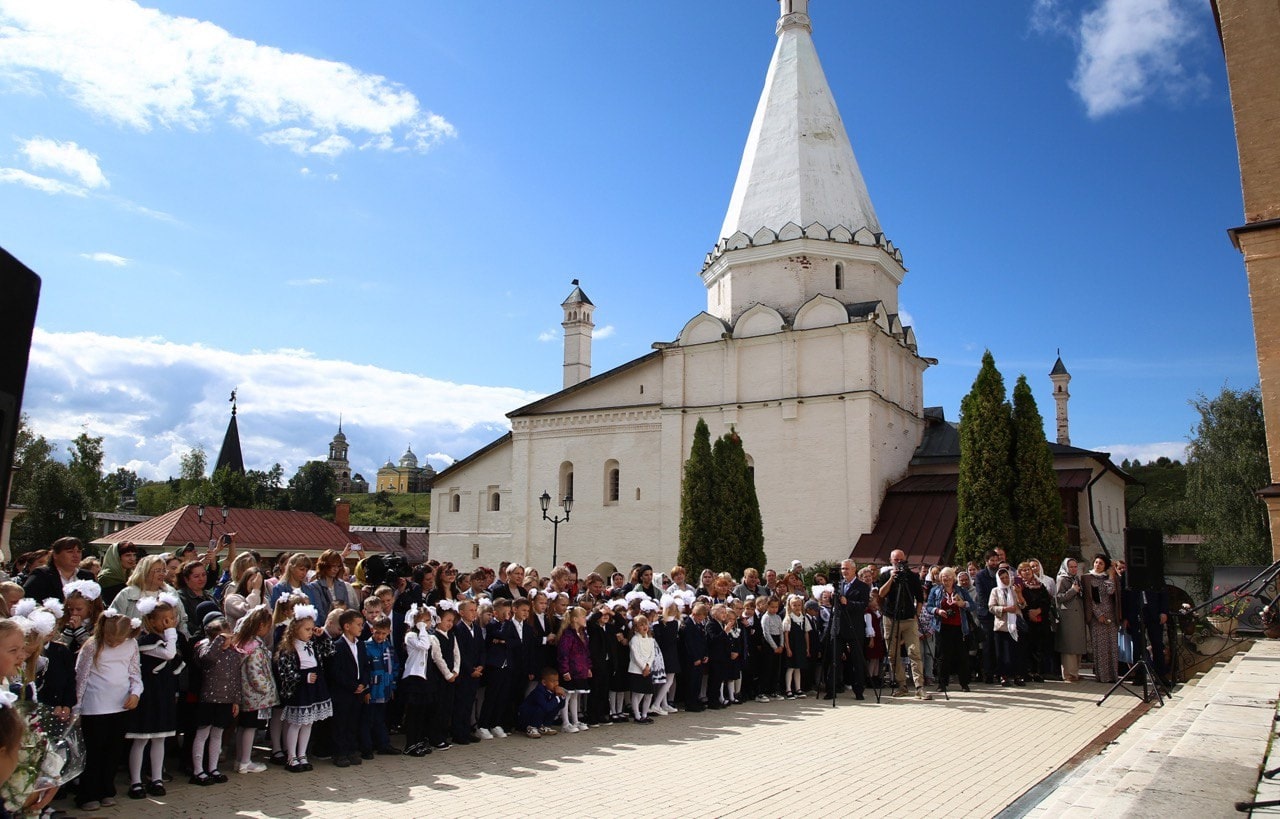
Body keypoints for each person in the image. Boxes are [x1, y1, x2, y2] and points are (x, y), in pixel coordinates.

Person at [74, 609, 143, 811]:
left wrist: (136, 693)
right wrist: (77, 707)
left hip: (120, 705)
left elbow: (135, 672)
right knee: (94, 751)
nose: (114, 643)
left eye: (118, 640)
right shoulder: (92, 645)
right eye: (110, 639)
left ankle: (107, 789)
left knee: (113, 751)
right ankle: (88, 793)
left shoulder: (131, 644)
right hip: (95, 706)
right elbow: (81, 677)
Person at [125, 592, 182, 798]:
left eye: (172, 619)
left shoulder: (166, 640)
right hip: (148, 694)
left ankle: (156, 778)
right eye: (164, 620)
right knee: (141, 739)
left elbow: (174, 663)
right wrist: (171, 633)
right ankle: (136, 781)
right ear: (151, 621)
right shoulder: (148, 641)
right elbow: (168, 654)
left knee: (160, 738)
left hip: (163, 693)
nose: (169, 623)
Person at [274, 603, 333, 773]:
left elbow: (330, 651)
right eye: (307, 629)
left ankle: (302, 754)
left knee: (308, 723)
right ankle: (291, 756)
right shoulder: (288, 649)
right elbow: (285, 672)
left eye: (311, 629)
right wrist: (303, 677)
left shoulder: (313, 643)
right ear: (295, 630)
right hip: (300, 689)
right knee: (296, 723)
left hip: (315, 687)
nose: (310, 632)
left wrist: (322, 636)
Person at [193, 616, 243, 785]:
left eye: (229, 636)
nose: (227, 640)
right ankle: (198, 770)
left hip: (226, 701)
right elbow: (207, 658)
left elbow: (236, 678)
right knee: (202, 734)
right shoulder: (204, 648)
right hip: (208, 700)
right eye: (223, 637)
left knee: (217, 735)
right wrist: (217, 641)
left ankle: (213, 768)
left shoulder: (233, 654)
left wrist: (236, 700)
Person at [878, 549, 932, 700]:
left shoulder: (912, 576)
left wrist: (917, 614)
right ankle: (901, 685)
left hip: (909, 618)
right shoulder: (884, 575)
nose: (899, 563)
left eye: (902, 560)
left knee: (914, 652)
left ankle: (919, 687)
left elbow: (920, 598)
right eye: (896, 560)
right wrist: (891, 578)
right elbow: (881, 594)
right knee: (892, 653)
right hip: (891, 618)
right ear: (891, 561)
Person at [232, 605, 277, 774]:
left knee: (244, 727)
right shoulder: (254, 647)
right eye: (267, 626)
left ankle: (240, 759)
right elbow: (255, 671)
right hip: (255, 696)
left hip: (247, 694)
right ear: (260, 626)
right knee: (250, 727)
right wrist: (266, 689)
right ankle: (245, 761)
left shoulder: (247, 643)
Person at [327, 609, 370, 767]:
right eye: (358, 625)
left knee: (353, 722)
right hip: (343, 692)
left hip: (357, 691)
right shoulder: (338, 645)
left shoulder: (360, 645)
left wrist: (363, 684)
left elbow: (365, 666)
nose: (361, 628)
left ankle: (352, 750)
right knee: (341, 723)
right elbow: (336, 672)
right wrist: (352, 685)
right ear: (346, 626)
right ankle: (339, 753)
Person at [112, 554, 190, 637]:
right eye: (157, 570)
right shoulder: (127, 594)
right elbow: (113, 622)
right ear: (145, 572)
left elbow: (182, 620)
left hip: (168, 644)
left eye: (164, 571)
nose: (162, 574)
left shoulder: (170, 592)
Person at [926, 567, 971, 693]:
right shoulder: (935, 591)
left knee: (962, 655)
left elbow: (972, 605)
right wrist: (938, 610)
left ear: (953, 578)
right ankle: (942, 683)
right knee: (943, 656)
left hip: (959, 627)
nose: (946, 580)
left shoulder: (961, 591)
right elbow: (929, 606)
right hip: (943, 627)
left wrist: (963, 604)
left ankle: (964, 683)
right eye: (944, 578)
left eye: (949, 577)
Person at [1082, 555, 1122, 684]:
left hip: (1110, 614)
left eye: (1101, 563)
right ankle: (1103, 676)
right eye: (1096, 562)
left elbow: (1111, 592)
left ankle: (1113, 675)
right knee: (1100, 646)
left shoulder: (1108, 578)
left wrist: (1111, 575)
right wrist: (1099, 614)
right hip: (1096, 616)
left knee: (1112, 645)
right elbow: (1089, 599)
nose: (1097, 565)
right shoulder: (1087, 578)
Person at [451, 600, 485, 744]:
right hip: (465, 674)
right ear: (462, 612)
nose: (474, 613)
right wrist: (470, 669)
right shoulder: (458, 629)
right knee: (461, 704)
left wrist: (481, 665)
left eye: (475, 610)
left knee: (469, 703)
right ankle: (458, 733)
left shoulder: (476, 629)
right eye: (470, 610)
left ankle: (466, 730)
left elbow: (482, 649)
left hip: (476, 672)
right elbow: (460, 653)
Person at [21, 537, 94, 602]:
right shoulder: (42, 574)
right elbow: (28, 600)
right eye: (70, 551)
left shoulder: (87, 576)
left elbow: (97, 605)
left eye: (79, 551)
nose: (76, 555)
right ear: (55, 555)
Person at [556, 606, 592, 732]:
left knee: (576, 695)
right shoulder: (567, 635)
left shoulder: (582, 634)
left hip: (580, 670)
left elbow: (586, 652)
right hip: (570, 670)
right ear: (575, 619)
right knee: (567, 695)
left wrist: (588, 667)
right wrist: (565, 670)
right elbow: (563, 654)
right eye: (583, 616)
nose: (585, 619)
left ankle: (575, 720)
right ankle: (565, 723)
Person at [989, 566, 1026, 687]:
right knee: (1003, 653)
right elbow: (991, 607)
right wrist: (1005, 609)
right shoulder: (995, 591)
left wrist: (1019, 594)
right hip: (1002, 626)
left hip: (1015, 625)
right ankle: (1003, 676)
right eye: (1002, 578)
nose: (1005, 580)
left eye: (1006, 577)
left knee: (1016, 652)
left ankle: (1017, 675)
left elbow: (1023, 605)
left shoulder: (1014, 589)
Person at [304, 548, 358, 626]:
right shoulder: (314, 587)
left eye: (338, 566)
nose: (335, 569)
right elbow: (318, 613)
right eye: (332, 566)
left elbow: (350, 610)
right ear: (324, 565)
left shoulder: (344, 586)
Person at [1055, 558, 1088, 682]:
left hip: (1078, 615)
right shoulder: (1062, 579)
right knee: (1069, 646)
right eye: (1071, 567)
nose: (1074, 569)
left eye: (1075, 567)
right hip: (1067, 616)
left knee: (1077, 644)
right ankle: (1069, 674)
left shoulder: (1076, 579)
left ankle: (1076, 672)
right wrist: (1072, 591)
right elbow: (1059, 597)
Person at [973, 550, 1000, 684]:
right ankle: (988, 674)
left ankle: (1000, 673)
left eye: (996, 560)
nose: (994, 563)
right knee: (988, 645)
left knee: (999, 645)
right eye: (992, 560)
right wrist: (992, 608)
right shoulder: (980, 576)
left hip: (1001, 614)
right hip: (987, 614)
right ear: (987, 561)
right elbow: (981, 595)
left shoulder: (1001, 574)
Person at [518, 668, 566, 738]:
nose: (556, 684)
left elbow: (561, 706)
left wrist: (562, 697)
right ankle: (531, 727)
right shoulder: (539, 692)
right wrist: (557, 697)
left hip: (539, 714)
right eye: (553, 681)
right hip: (526, 717)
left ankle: (545, 726)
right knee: (542, 707)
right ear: (544, 682)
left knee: (555, 705)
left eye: (557, 681)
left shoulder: (553, 691)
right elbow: (546, 708)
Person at [627, 614, 657, 723]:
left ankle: (644, 714)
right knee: (637, 693)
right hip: (636, 670)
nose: (644, 627)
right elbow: (636, 655)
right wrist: (643, 667)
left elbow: (652, 654)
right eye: (641, 625)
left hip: (647, 670)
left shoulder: (650, 639)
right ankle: (637, 715)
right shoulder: (634, 639)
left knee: (648, 693)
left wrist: (648, 666)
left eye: (646, 624)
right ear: (636, 628)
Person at [97, 541, 139, 605]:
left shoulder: (132, 576)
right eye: (128, 555)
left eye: (134, 555)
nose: (132, 558)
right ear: (117, 557)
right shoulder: (106, 577)